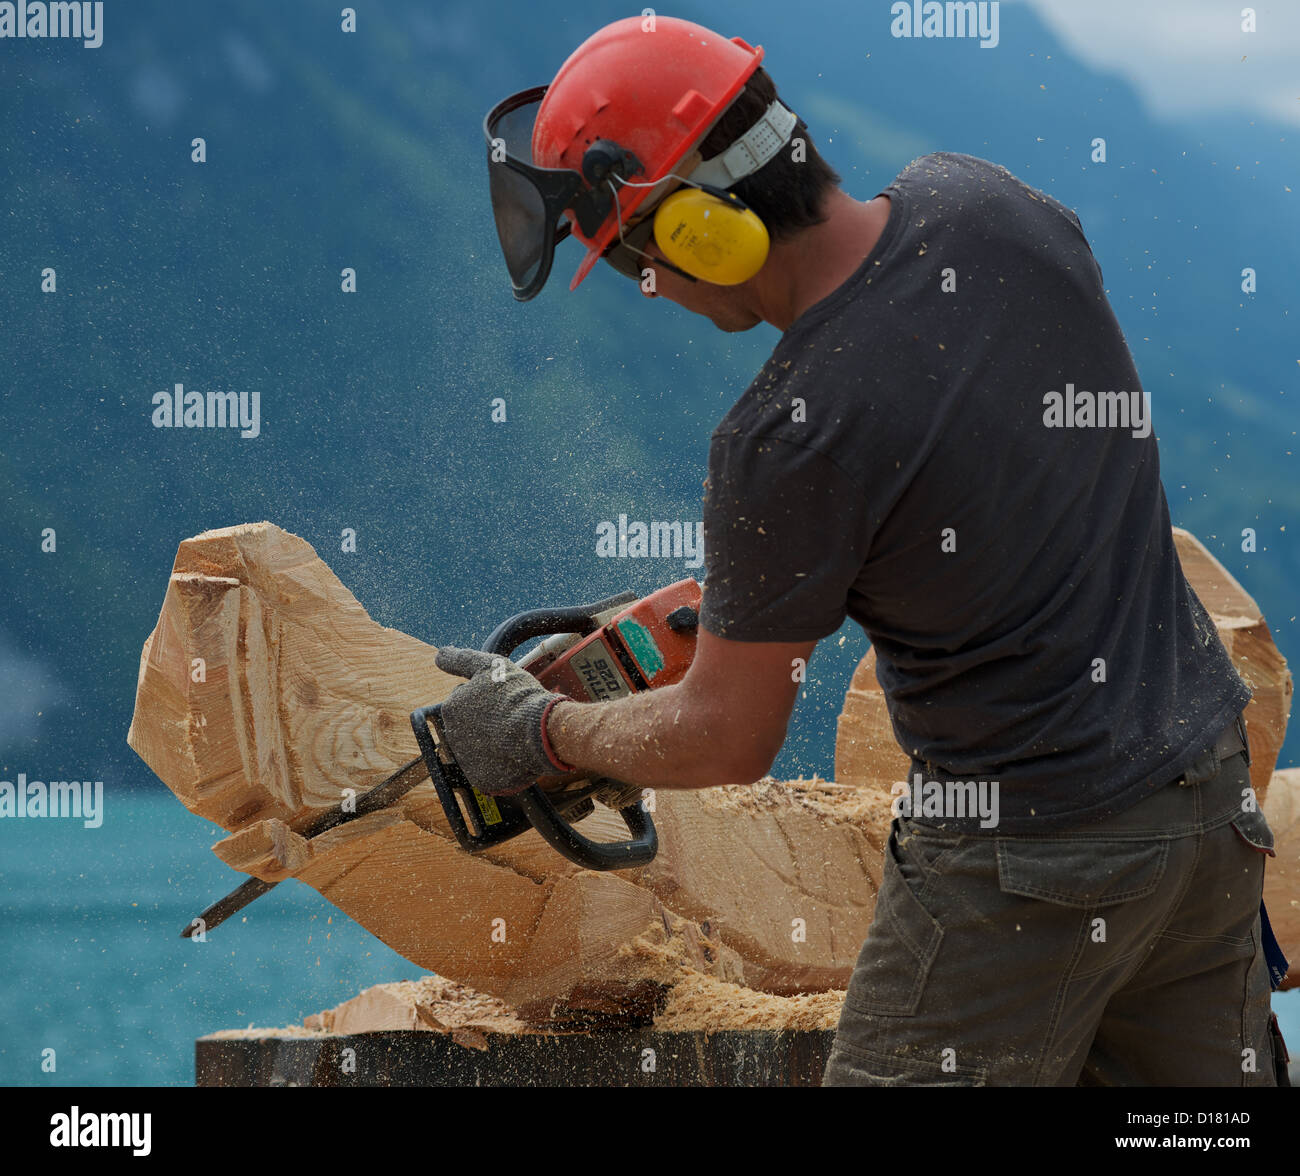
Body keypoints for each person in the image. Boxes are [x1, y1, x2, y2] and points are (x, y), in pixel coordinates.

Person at [434, 14, 1287, 1086]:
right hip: (1207, 803)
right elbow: (985, 457)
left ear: (699, 230)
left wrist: (548, 734)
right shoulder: (992, 205)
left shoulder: (785, 437)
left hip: (1025, 859)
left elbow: (726, 737)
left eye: (636, 265)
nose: (652, 294)